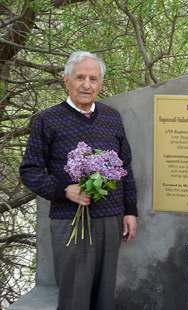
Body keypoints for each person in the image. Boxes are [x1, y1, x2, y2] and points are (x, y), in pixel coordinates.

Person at [20, 51, 137, 310]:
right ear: (67, 81)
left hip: (110, 219)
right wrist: (65, 190)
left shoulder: (111, 117)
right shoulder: (47, 120)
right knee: (74, 296)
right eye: (80, 77)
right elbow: (29, 170)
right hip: (69, 221)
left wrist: (130, 211)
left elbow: (125, 166)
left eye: (93, 78)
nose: (87, 84)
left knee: (104, 296)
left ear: (100, 84)